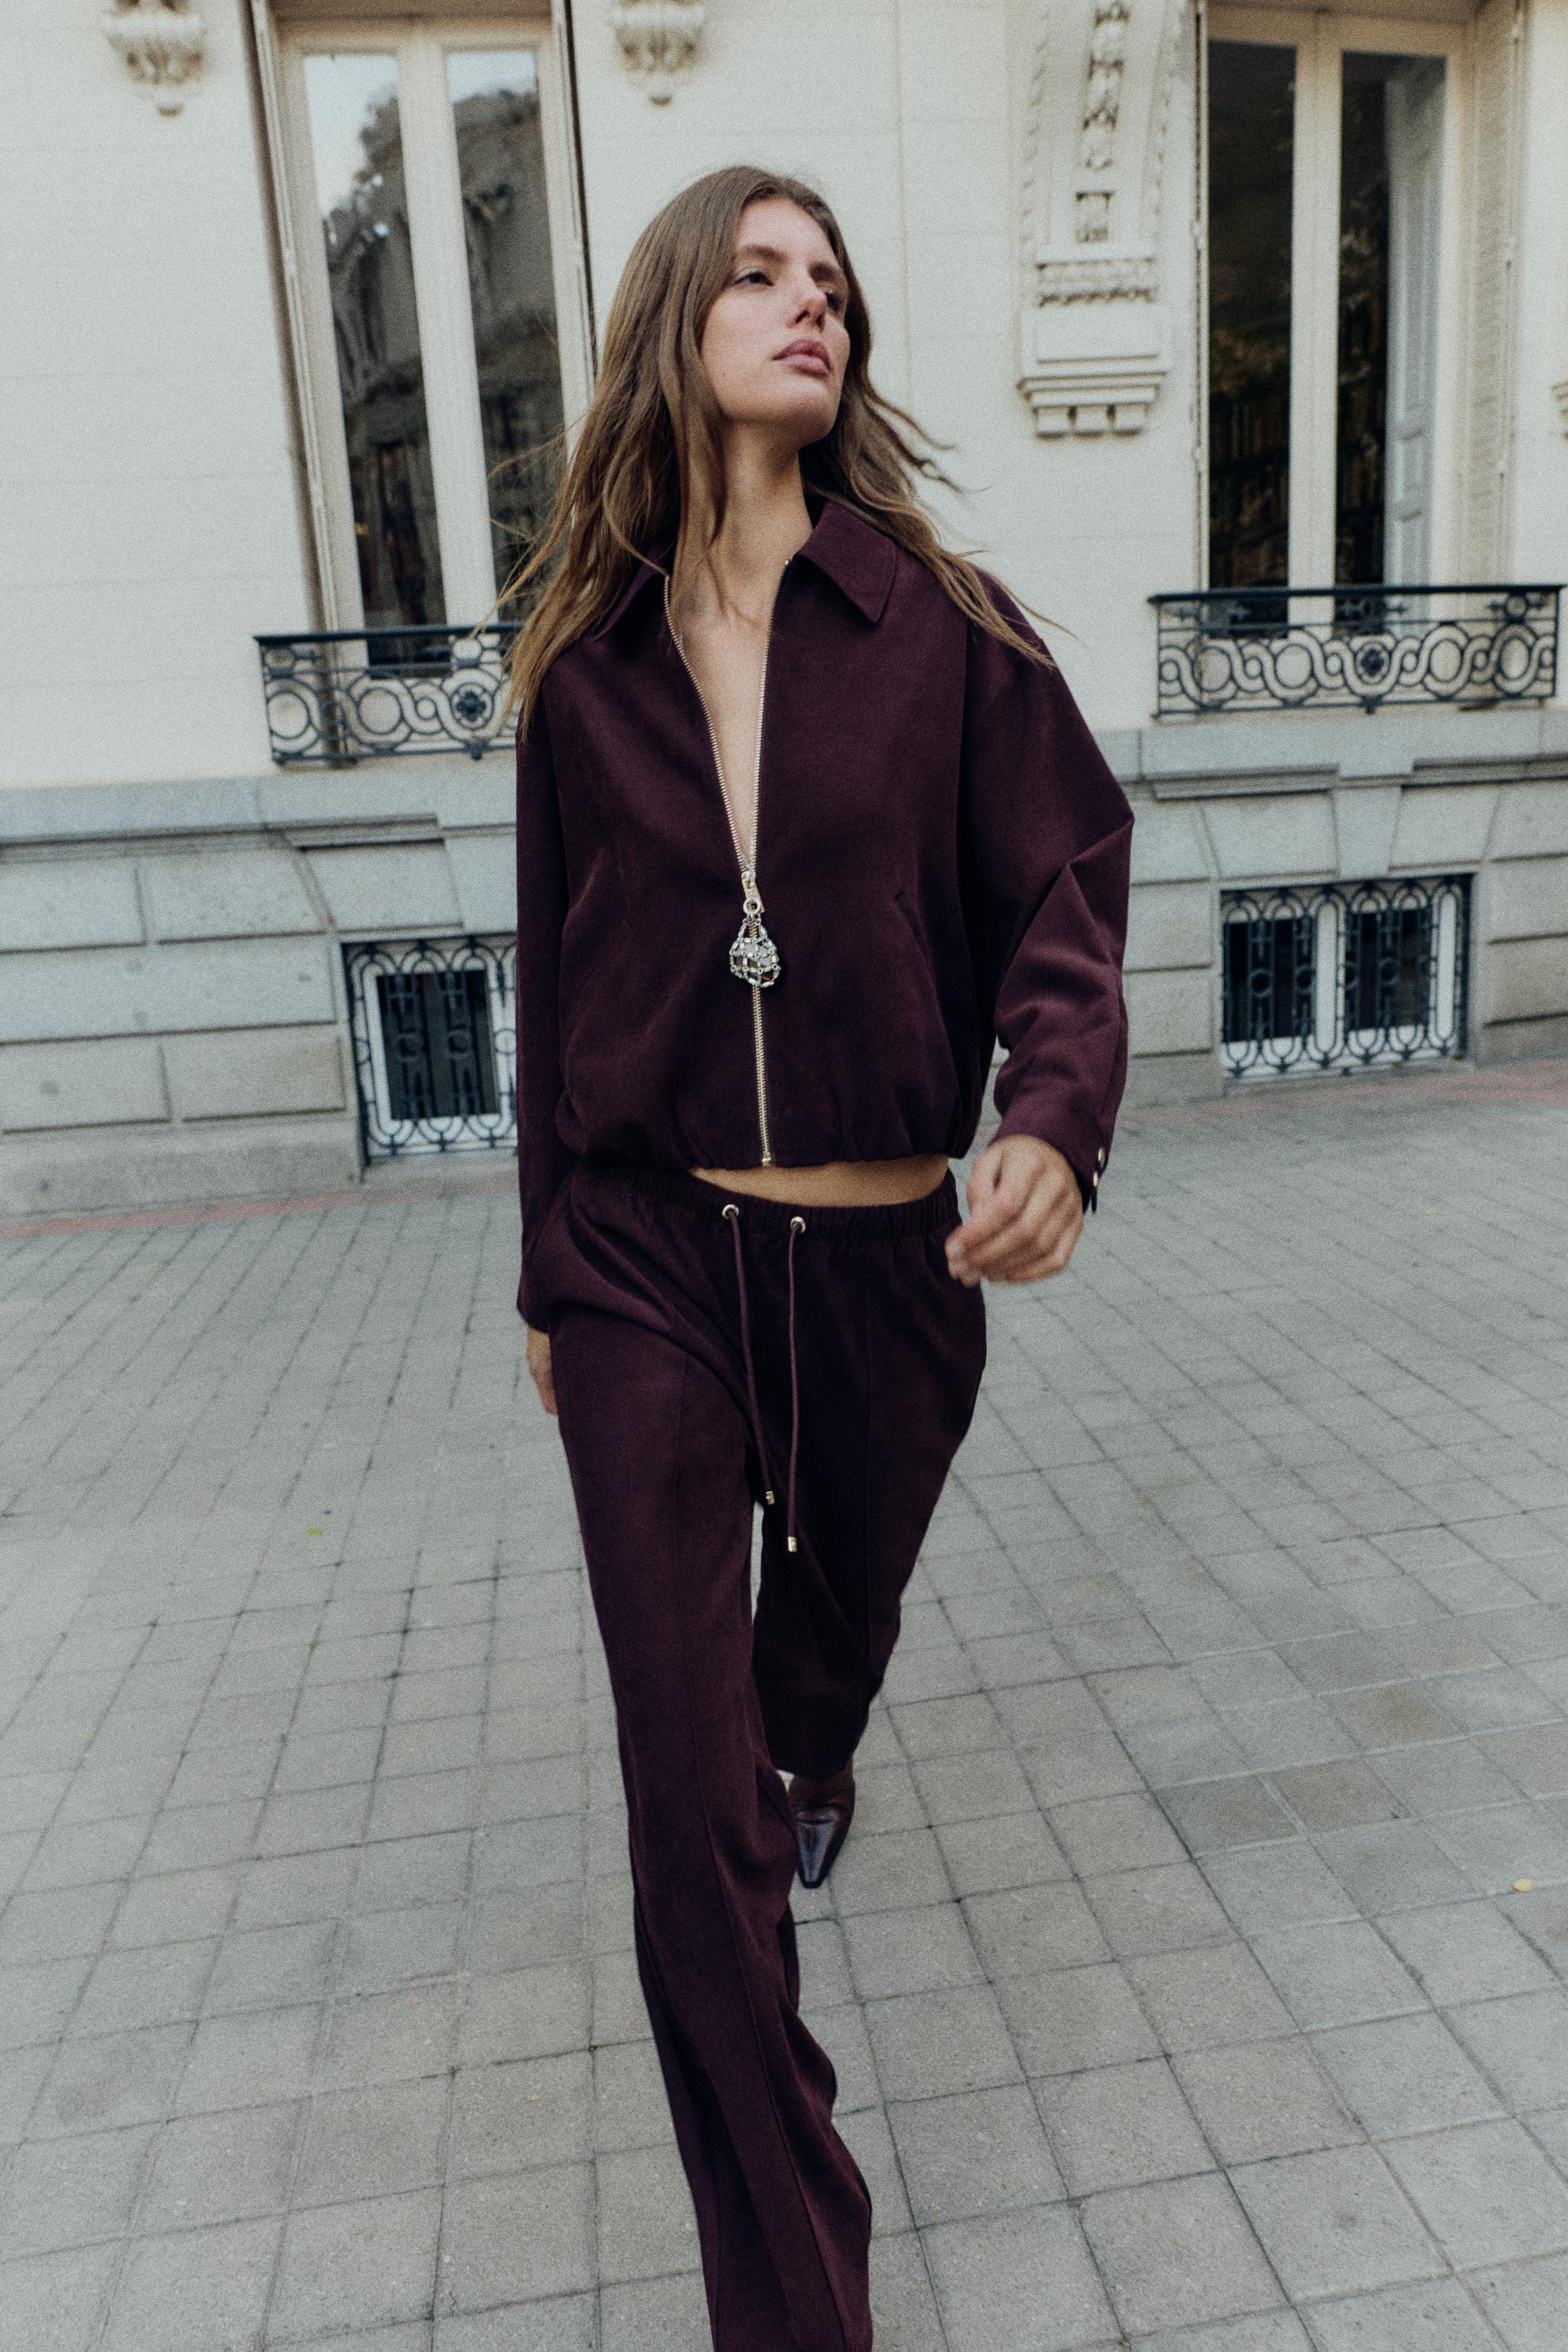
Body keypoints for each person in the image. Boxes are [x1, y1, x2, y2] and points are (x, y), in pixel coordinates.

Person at [505, 163, 1132, 2352]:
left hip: (883, 1273)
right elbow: (548, 976)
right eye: (764, 273)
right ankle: (794, 2299)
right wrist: (545, 1273)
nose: (813, 307)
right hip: (647, 1260)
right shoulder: (586, 667)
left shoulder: (940, 624)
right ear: (677, 314)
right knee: (695, 1832)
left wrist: (1050, 1120)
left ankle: (813, 1742)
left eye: (836, 285)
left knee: (804, 1683)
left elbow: (1068, 887)